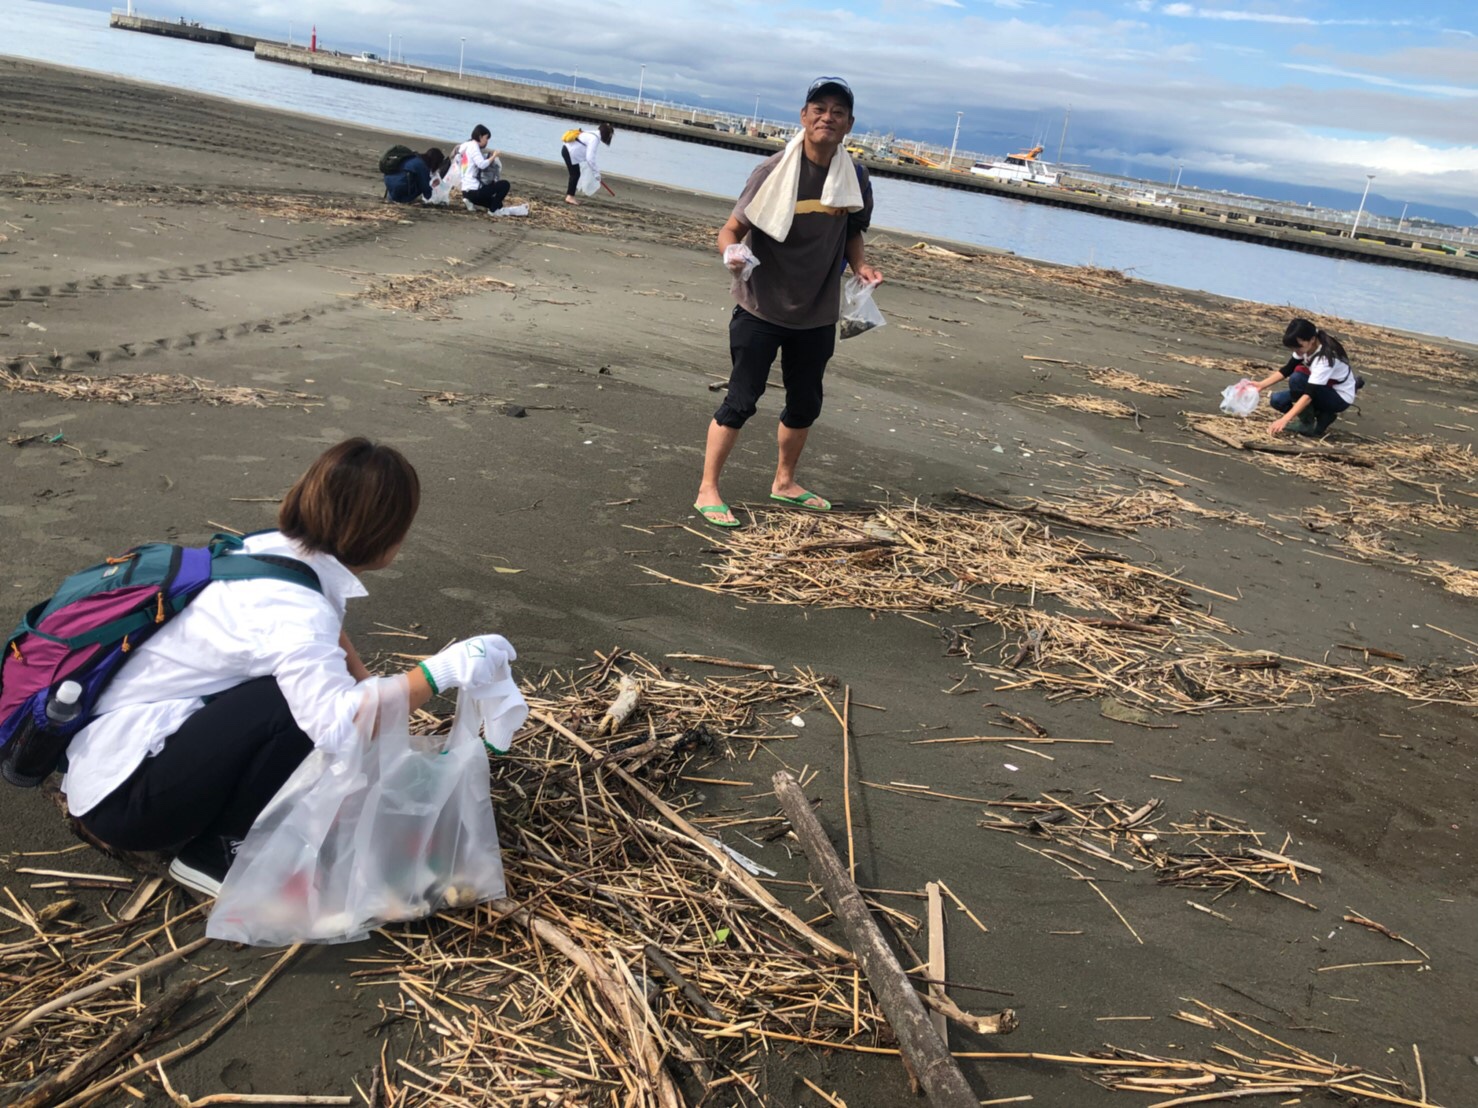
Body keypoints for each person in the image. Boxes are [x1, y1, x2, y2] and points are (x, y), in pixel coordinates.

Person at [60, 438, 519, 897]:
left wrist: (382, 707)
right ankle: (217, 854)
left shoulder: (270, 551)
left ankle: (229, 824)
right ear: (383, 531)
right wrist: (442, 671)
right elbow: (338, 723)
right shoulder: (297, 608)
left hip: (116, 751)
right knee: (290, 704)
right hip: (128, 799)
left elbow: (330, 648)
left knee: (306, 695)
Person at [693, 77, 882, 529]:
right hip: (761, 306)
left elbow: (852, 231)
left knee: (806, 403)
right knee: (740, 400)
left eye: (838, 111)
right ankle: (707, 490)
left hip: (816, 311)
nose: (827, 117)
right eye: (819, 108)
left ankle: (785, 482)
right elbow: (730, 231)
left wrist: (861, 266)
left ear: (849, 124)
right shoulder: (773, 171)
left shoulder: (855, 176)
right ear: (803, 116)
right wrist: (732, 254)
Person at [1249, 317, 1361, 436]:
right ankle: (1322, 416)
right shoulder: (1308, 344)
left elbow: (1309, 394)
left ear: (1312, 339)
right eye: (1293, 348)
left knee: (1297, 379)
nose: (1296, 351)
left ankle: (1306, 423)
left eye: (1298, 347)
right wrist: (1261, 385)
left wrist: (1284, 419)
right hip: (1323, 389)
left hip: (1338, 397)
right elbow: (1288, 369)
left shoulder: (1324, 358)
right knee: (1277, 401)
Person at [454, 124, 512, 213]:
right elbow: (482, 164)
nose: (487, 141)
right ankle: (492, 212)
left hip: (465, 190)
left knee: (498, 204)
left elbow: (459, 155)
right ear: (480, 137)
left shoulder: (466, 145)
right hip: (475, 190)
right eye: (486, 138)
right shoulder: (474, 147)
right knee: (505, 184)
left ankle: (470, 201)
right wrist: (494, 156)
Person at [561, 123, 614, 205]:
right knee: (575, 174)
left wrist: (594, 171)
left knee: (575, 174)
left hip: (567, 150)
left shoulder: (592, 133)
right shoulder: (594, 139)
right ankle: (570, 197)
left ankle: (570, 196)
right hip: (569, 152)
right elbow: (590, 158)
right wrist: (596, 173)